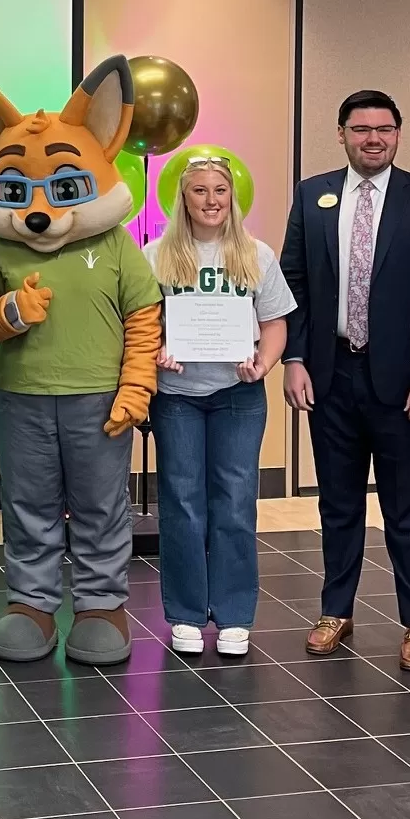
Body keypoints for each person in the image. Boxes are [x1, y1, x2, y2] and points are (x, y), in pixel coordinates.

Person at [0, 55, 162, 666]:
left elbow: (143, 321)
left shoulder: (116, 243)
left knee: (101, 505)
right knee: (29, 504)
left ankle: (100, 604)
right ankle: (32, 604)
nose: (39, 209)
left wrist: (136, 388)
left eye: (63, 188)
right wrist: (12, 313)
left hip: (98, 398)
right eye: (19, 191)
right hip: (22, 394)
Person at [280, 89, 410, 673]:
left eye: (384, 128)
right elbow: (295, 285)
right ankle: (336, 610)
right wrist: (295, 360)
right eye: (361, 129)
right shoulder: (312, 196)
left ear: (398, 135)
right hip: (331, 374)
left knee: (407, 509)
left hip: (406, 382)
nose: (373, 138)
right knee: (337, 505)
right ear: (342, 134)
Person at [148, 157, 295, 656]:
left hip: (239, 394)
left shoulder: (257, 255)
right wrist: (158, 349)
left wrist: (265, 362)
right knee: (183, 504)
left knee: (235, 503)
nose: (211, 201)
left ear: (232, 197)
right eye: (199, 191)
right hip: (177, 398)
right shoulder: (156, 256)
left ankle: (234, 615)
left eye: (219, 191)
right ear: (183, 198)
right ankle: (186, 614)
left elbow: (275, 323)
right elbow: (144, 326)